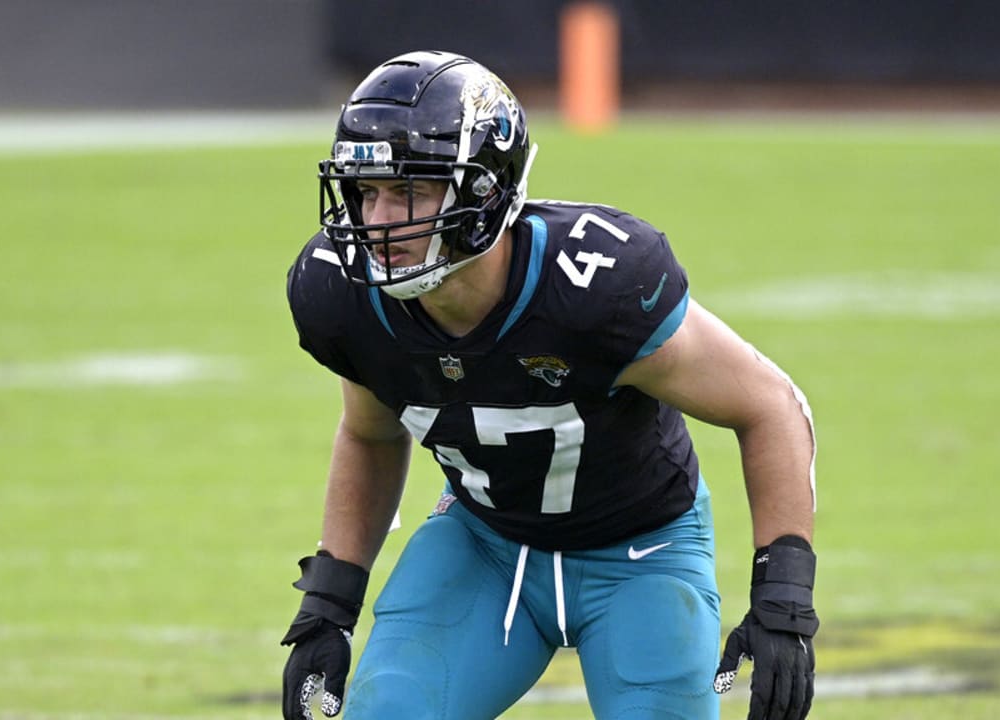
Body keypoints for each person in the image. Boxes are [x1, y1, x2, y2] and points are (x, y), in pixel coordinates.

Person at [280, 50, 819, 720]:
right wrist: (329, 603)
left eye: (408, 192)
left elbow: (769, 405)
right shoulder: (344, 295)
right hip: (484, 545)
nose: (379, 222)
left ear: (482, 190)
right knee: (390, 708)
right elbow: (368, 431)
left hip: (642, 553)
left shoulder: (598, 286)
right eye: (366, 193)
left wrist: (784, 596)